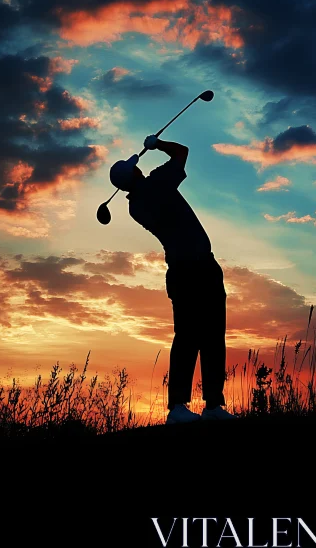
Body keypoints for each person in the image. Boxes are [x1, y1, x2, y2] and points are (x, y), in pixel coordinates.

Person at [109, 136, 236, 424]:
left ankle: (190, 406)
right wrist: (157, 144)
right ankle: (204, 405)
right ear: (136, 174)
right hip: (198, 268)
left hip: (181, 272)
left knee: (191, 337)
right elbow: (183, 151)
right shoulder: (156, 184)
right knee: (209, 337)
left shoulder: (135, 206)